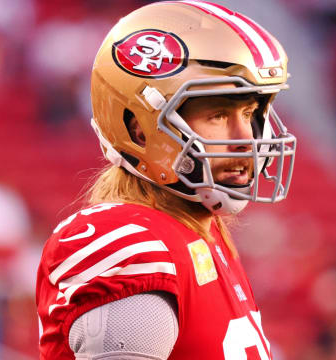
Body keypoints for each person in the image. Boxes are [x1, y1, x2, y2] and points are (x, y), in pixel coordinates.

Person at [36, 1, 297, 359]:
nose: (246, 139)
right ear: (140, 130)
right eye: (218, 115)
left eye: (250, 113)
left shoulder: (204, 233)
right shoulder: (130, 244)